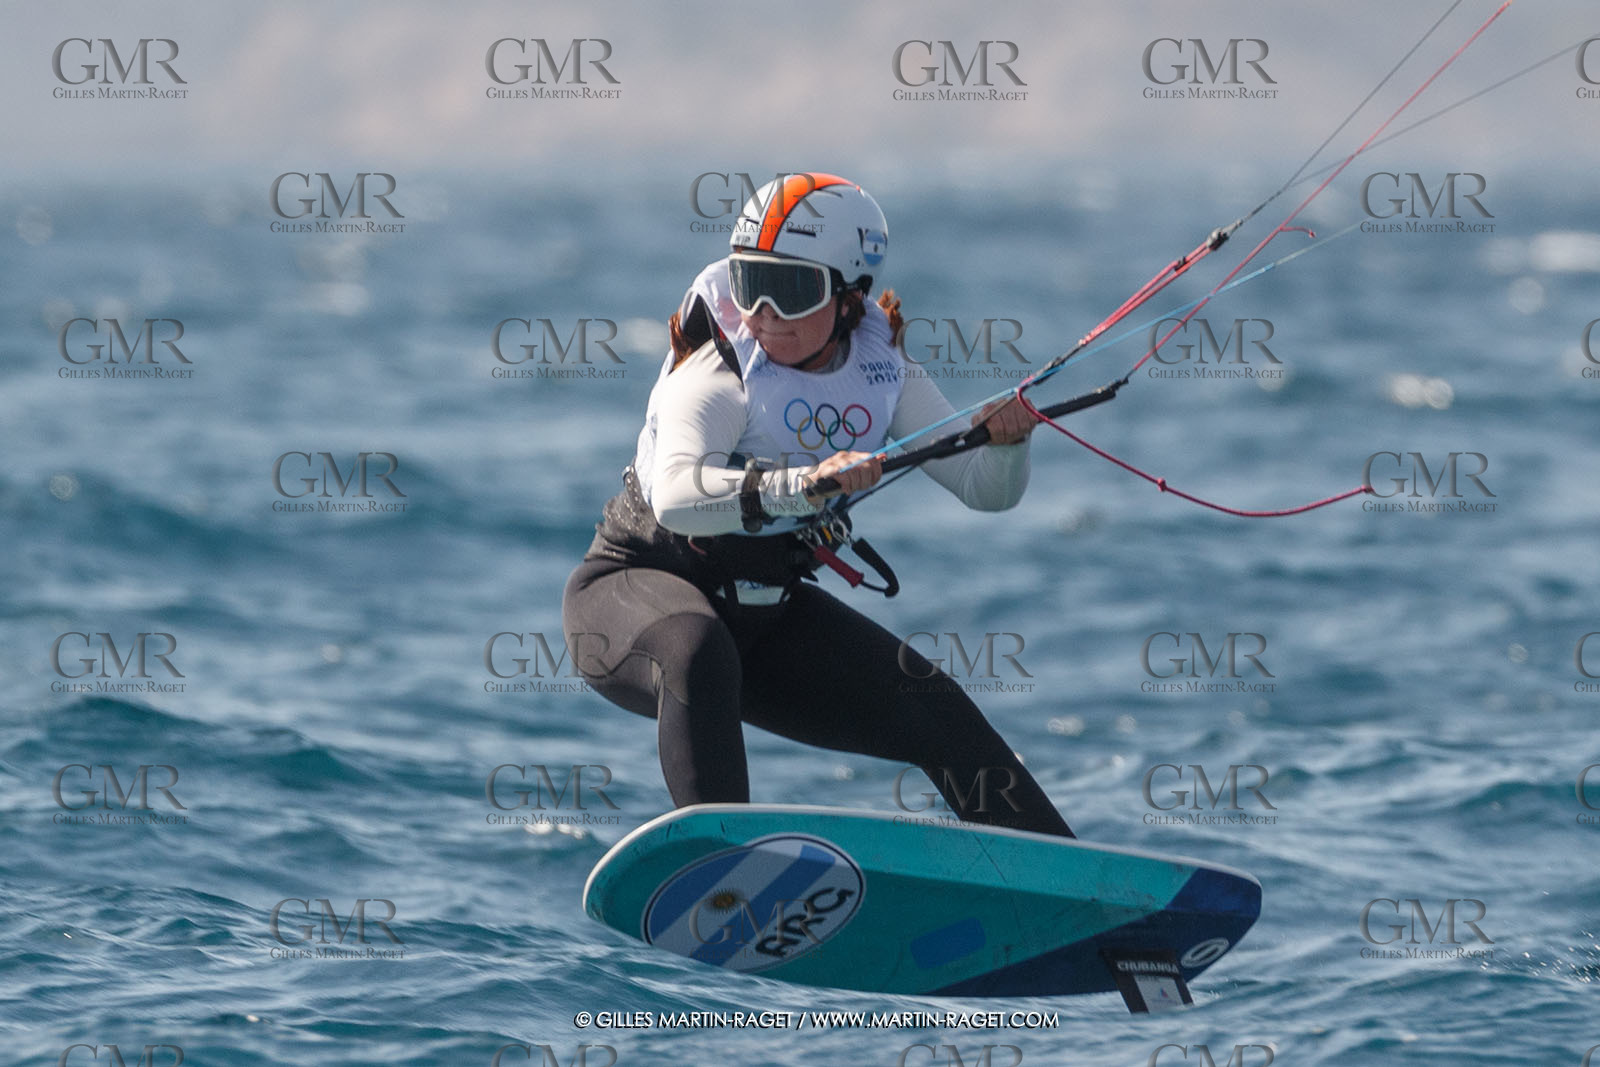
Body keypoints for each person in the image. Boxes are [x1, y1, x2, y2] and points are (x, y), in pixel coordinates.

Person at [562, 172, 1073, 838]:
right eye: (750, 283)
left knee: (937, 708)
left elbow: (984, 489)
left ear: (849, 294)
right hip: (633, 589)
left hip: (764, 617)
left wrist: (1008, 443)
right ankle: (724, 872)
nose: (764, 312)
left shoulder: (880, 368)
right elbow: (677, 495)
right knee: (697, 650)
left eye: (793, 288)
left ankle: (1086, 899)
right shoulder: (721, 367)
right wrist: (798, 484)